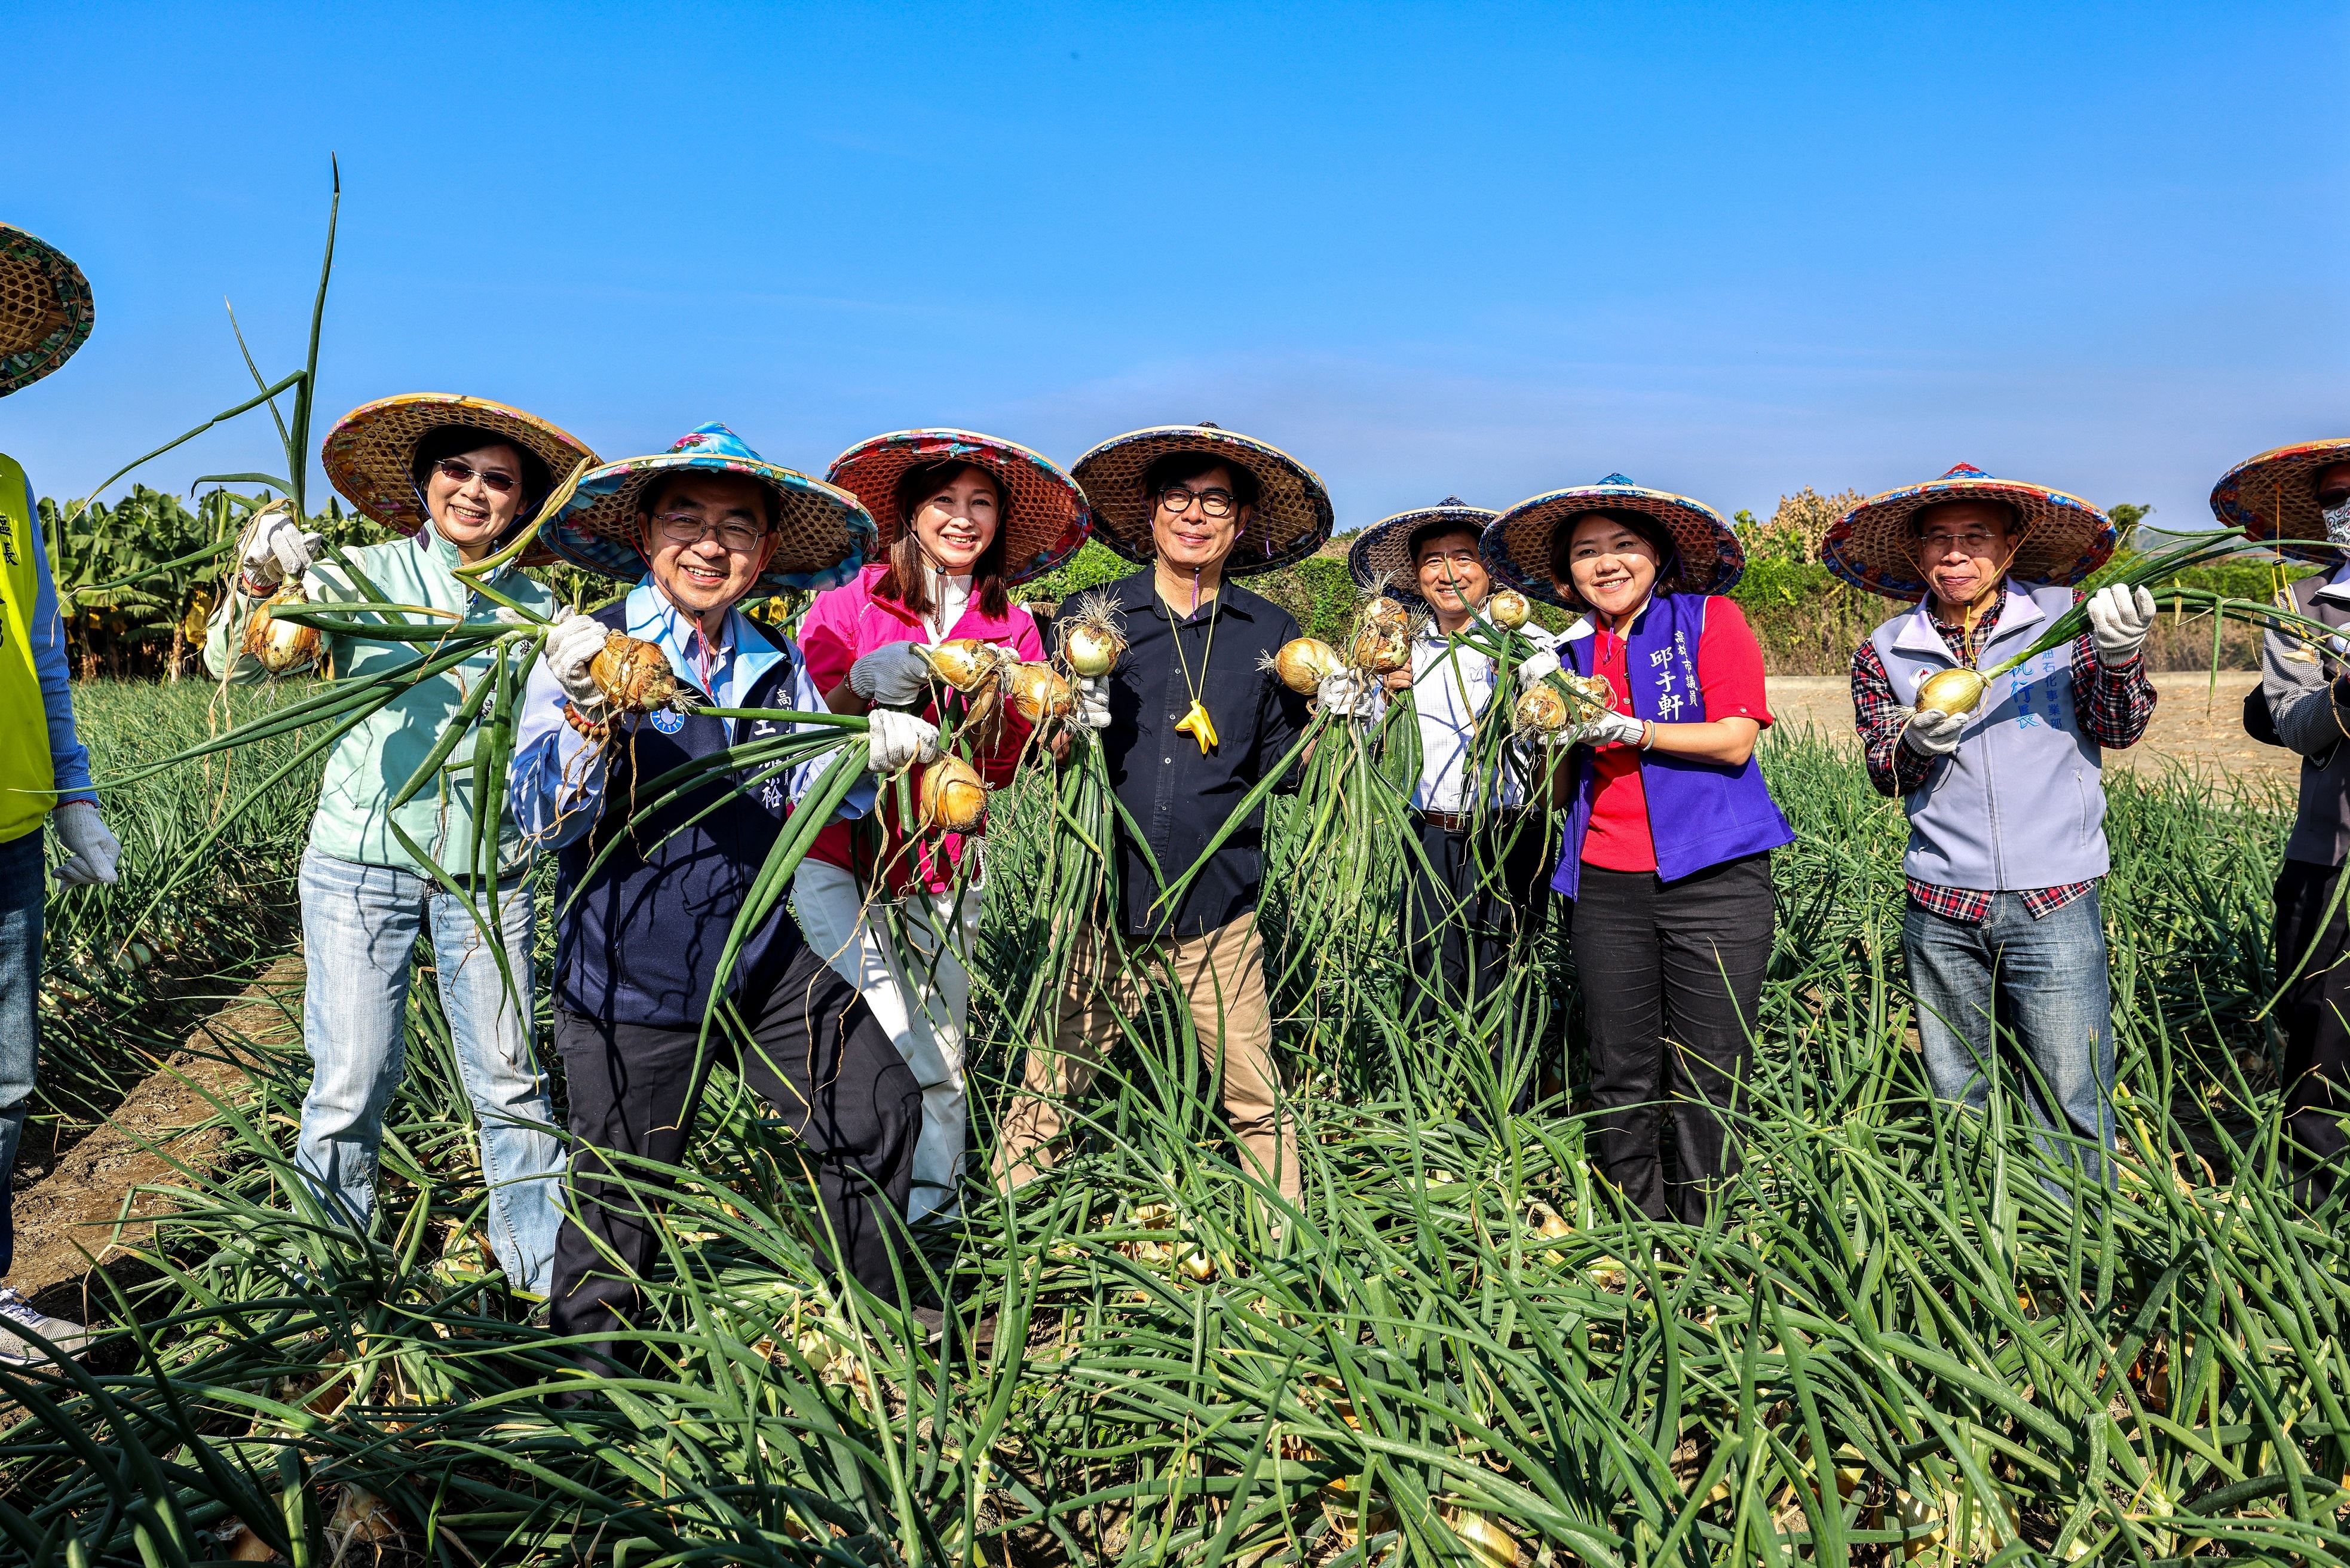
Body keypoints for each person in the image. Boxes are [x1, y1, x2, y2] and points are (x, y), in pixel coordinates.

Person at [515, 423, 931, 1371]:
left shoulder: (772, 664)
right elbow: (531, 814)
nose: (711, 545)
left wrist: (861, 743)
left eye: (737, 529)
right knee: (623, 1194)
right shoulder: (586, 650)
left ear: (767, 552)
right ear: (646, 536)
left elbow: (808, 796)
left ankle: (882, 1311)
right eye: (687, 521)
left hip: (756, 952)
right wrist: (587, 714)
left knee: (876, 1102)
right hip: (633, 967)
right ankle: (590, 1398)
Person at [204, 394, 590, 1298]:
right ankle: (327, 1274)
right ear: (424, 483)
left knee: (510, 1080)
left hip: (489, 875)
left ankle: (542, 1277)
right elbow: (240, 657)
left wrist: (585, 692)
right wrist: (259, 581)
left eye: (501, 481)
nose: (474, 491)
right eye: (457, 471)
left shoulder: (539, 607)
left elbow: (558, 751)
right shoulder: (356, 578)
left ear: (522, 504)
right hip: (360, 861)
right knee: (349, 1080)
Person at [991, 423, 1338, 1208]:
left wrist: (1342, 720)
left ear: (1241, 523)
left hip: (1217, 908)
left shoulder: (1271, 634)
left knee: (1255, 1099)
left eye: (1216, 501)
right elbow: (1046, 751)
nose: (1195, 514)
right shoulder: (1091, 616)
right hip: (1098, 905)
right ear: (1150, 511)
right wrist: (1052, 718)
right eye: (1178, 497)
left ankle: (1287, 1259)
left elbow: (1290, 767)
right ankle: (999, 1249)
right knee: (1045, 1098)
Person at [1825, 463, 2154, 1190]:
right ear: (1916, 554)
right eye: (1938, 539)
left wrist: (2120, 655)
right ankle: (1977, 1230)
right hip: (1941, 902)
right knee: (1957, 1092)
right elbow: (1885, 770)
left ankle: (2073, 1236)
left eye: (1976, 535)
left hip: (2055, 895)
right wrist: (1911, 744)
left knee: (2071, 1091)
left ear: (2012, 544)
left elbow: (2119, 725)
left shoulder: (2069, 620)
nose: (1955, 553)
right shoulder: (1886, 648)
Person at [796, 430, 1091, 1221]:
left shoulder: (1013, 628)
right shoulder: (847, 605)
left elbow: (1000, 770)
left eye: (980, 506)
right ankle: (858, 1197)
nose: (962, 520)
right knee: (876, 1031)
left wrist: (1054, 721)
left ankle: (935, 1203)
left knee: (944, 1040)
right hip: (836, 849)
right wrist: (861, 690)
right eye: (944, 503)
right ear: (909, 514)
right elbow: (799, 735)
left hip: (944, 857)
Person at [1484, 476, 1792, 1224]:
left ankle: (1706, 1235)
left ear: (1656, 554)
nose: (1606, 562)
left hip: (1715, 874)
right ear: (1567, 575)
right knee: (1618, 1064)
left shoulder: (1708, 619)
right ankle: (1632, 1228)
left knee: (1710, 1067)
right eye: (1586, 551)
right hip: (1605, 880)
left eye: (1623, 544)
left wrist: (1634, 731)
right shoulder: (1562, 652)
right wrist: (1545, 729)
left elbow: (1734, 738)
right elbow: (1560, 794)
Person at [0, 225, 117, 1362]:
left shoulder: (9, 485)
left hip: (10, 826)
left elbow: (42, 654)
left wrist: (74, 790)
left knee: (4, 1076)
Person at [1348, 498, 1560, 1046]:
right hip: (1433, 836)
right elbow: (1358, 733)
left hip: (1512, 834)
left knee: (1508, 973)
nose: (1449, 574)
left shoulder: (1530, 644)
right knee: (1429, 972)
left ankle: (1507, 1103)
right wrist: (1371, 692)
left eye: (1463, 557)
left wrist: (1522, 687)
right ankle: (1431, 1096)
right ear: (1415, 578)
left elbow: (1557, 736)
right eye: (1432, 561)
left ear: (1489, 568)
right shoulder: (1401, 652)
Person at [2213, 440, 2350, 1201]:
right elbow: (2294, 721)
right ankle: (2317, 1195)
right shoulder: (2298, 604)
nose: (2347, 512)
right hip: (2329, 856)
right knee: (2321, 1034)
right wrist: (2347, 694)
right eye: (2335, 500)